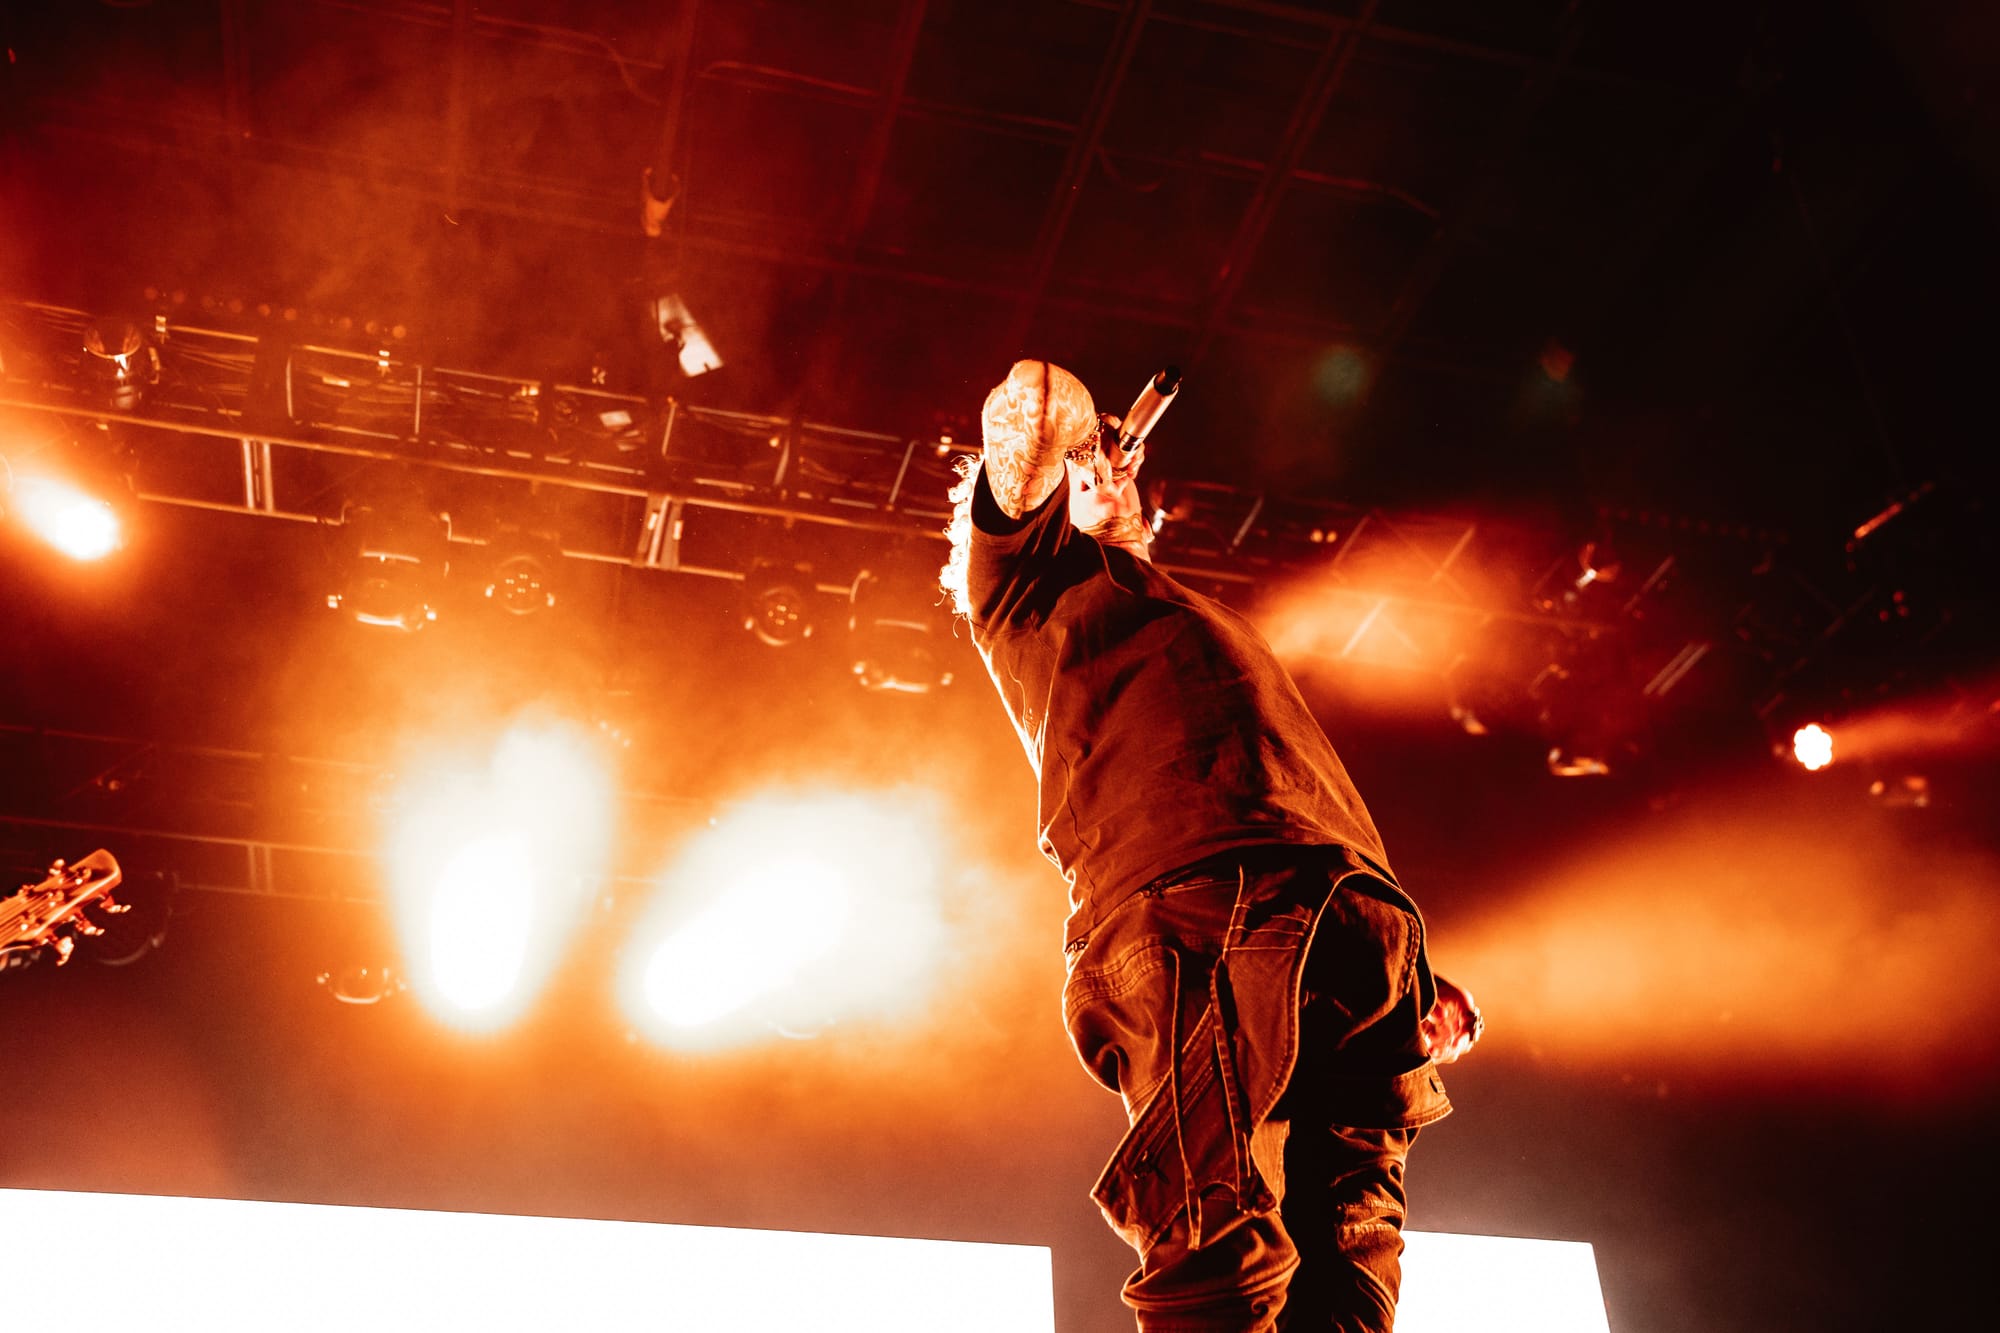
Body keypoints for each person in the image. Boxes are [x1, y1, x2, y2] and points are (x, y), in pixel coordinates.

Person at [942, 360, 1481, 1332]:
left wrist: (1410, 970)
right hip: (1199, 901)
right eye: (1087, 485)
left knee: (1351, 1274)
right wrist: (1079, 447)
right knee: (1218, 1253)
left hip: (1347, 916)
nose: (1123, 489)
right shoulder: (1019, 595)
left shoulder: (1181, 604)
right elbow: (1034, 398)